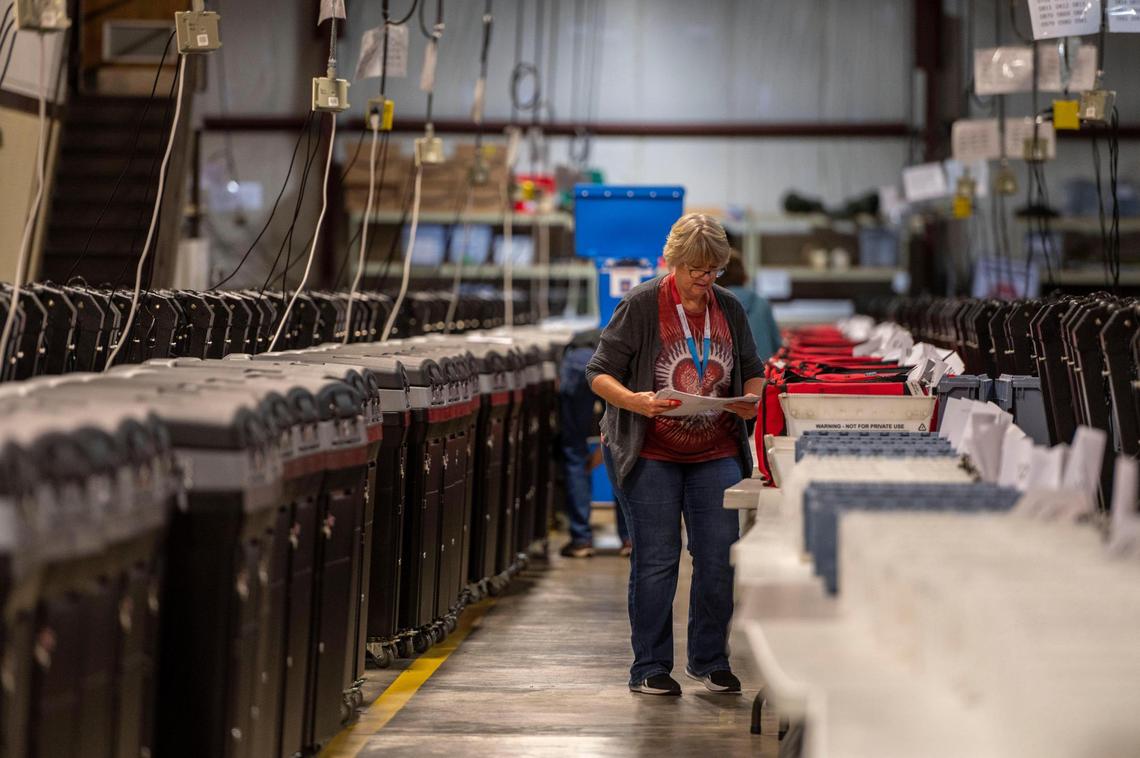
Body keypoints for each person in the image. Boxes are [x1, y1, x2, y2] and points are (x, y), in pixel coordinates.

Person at [586, 212, 766, 697]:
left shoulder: (727, 307)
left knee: (717, 556)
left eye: (714, 272)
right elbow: (599, 372)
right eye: (696, 271)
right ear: (674, 263)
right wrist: (635, 401)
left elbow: (752, 367)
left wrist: (750, 399)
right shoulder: (642, 304)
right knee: (657, 559)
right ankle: (649, 666)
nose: (704, 281)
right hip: (652, 452)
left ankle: (709, 660)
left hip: (715, 449)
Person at [559, 334, 631, 558]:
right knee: (623, 451)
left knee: (574, 451)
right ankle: (629, 539)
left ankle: (581, 541)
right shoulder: (613, 338)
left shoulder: (571, 351)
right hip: (609, 368)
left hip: (576, 367)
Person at [720, 251, 782, 363]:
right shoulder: (762, 303)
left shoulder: (713, 303)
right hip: (763, 374)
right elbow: (777, 346)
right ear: (743, 273)